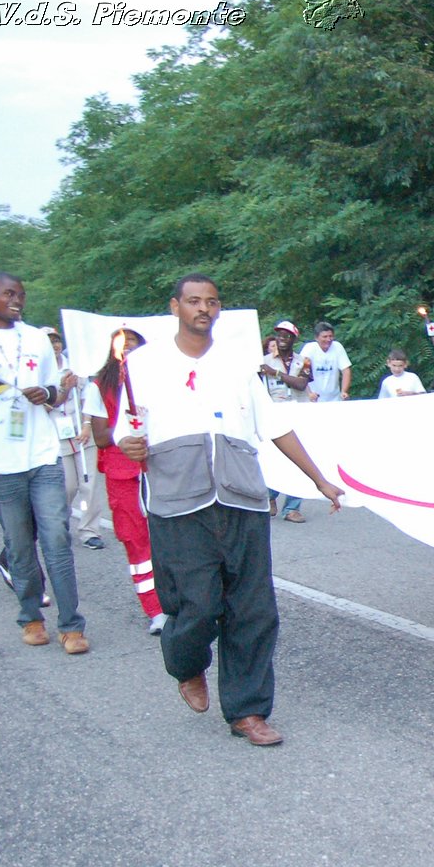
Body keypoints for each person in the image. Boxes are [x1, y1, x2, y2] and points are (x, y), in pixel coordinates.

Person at [118, 274, 343, 746]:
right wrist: (130, 444)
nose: (204, 309)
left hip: (241, 498)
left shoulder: (239, 364)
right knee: (195, 606)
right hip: (178, 503)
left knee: (253, 608)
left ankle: (248, 711)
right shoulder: (141, 364)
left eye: (212, 302)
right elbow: (124, 429)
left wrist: (317, 478)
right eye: (194, 301)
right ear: (175, 307)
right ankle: (186, 664)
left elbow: (275, 424)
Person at [0, 272, 89, 653]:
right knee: (19, 543)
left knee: (57, 538)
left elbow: (58, 392)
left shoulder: (36, 339)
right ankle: (31, 616)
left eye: (21, 295)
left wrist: (45, 391)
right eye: (9, 294)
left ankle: (71, 625)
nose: (17, 300)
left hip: (43, 454)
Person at [85, 327, 166, 635]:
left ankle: (180, 601)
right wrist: (127, 428)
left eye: (134, 346)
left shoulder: (158, 380)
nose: (128, 353)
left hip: (159, 468)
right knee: (136, 540)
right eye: (123, 348)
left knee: (171, 538)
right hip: (123, 474)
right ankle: (154, 608)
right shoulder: (99, 386)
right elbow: (101, 436)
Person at [46, 327, 105, 549]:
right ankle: (58, 525)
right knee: (68, 486)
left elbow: (87, 397)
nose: (55, 346)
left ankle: (90, 531)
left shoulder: (76, 367)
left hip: (82, 433)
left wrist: (88, 425)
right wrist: (62, 388)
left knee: (88, 484)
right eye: (50, 342)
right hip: (56, 436)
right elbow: (44, 405)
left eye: (57, 341)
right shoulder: (40, 372)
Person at [260, 321, 311, 522]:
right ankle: (270, 496)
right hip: (275, 413)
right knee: (276, 459)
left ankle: (292, 508)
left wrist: (276, 373)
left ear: (293, 339)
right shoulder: (263, 360)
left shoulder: (304, 361)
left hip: (298, 412)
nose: (282, 339)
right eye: (279, 335)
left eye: (287, 335)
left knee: (300, 459)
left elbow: (301, 384)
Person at [298, 320, 352, 402]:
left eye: (330, 336)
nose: (328, 339)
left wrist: (344, 391)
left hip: (334, 399)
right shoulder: (309, 349)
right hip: (313, 399)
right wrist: (309, 393)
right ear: (316, 338)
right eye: (325, 337)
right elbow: (302, 373)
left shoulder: (337, 347)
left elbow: (346, 370)